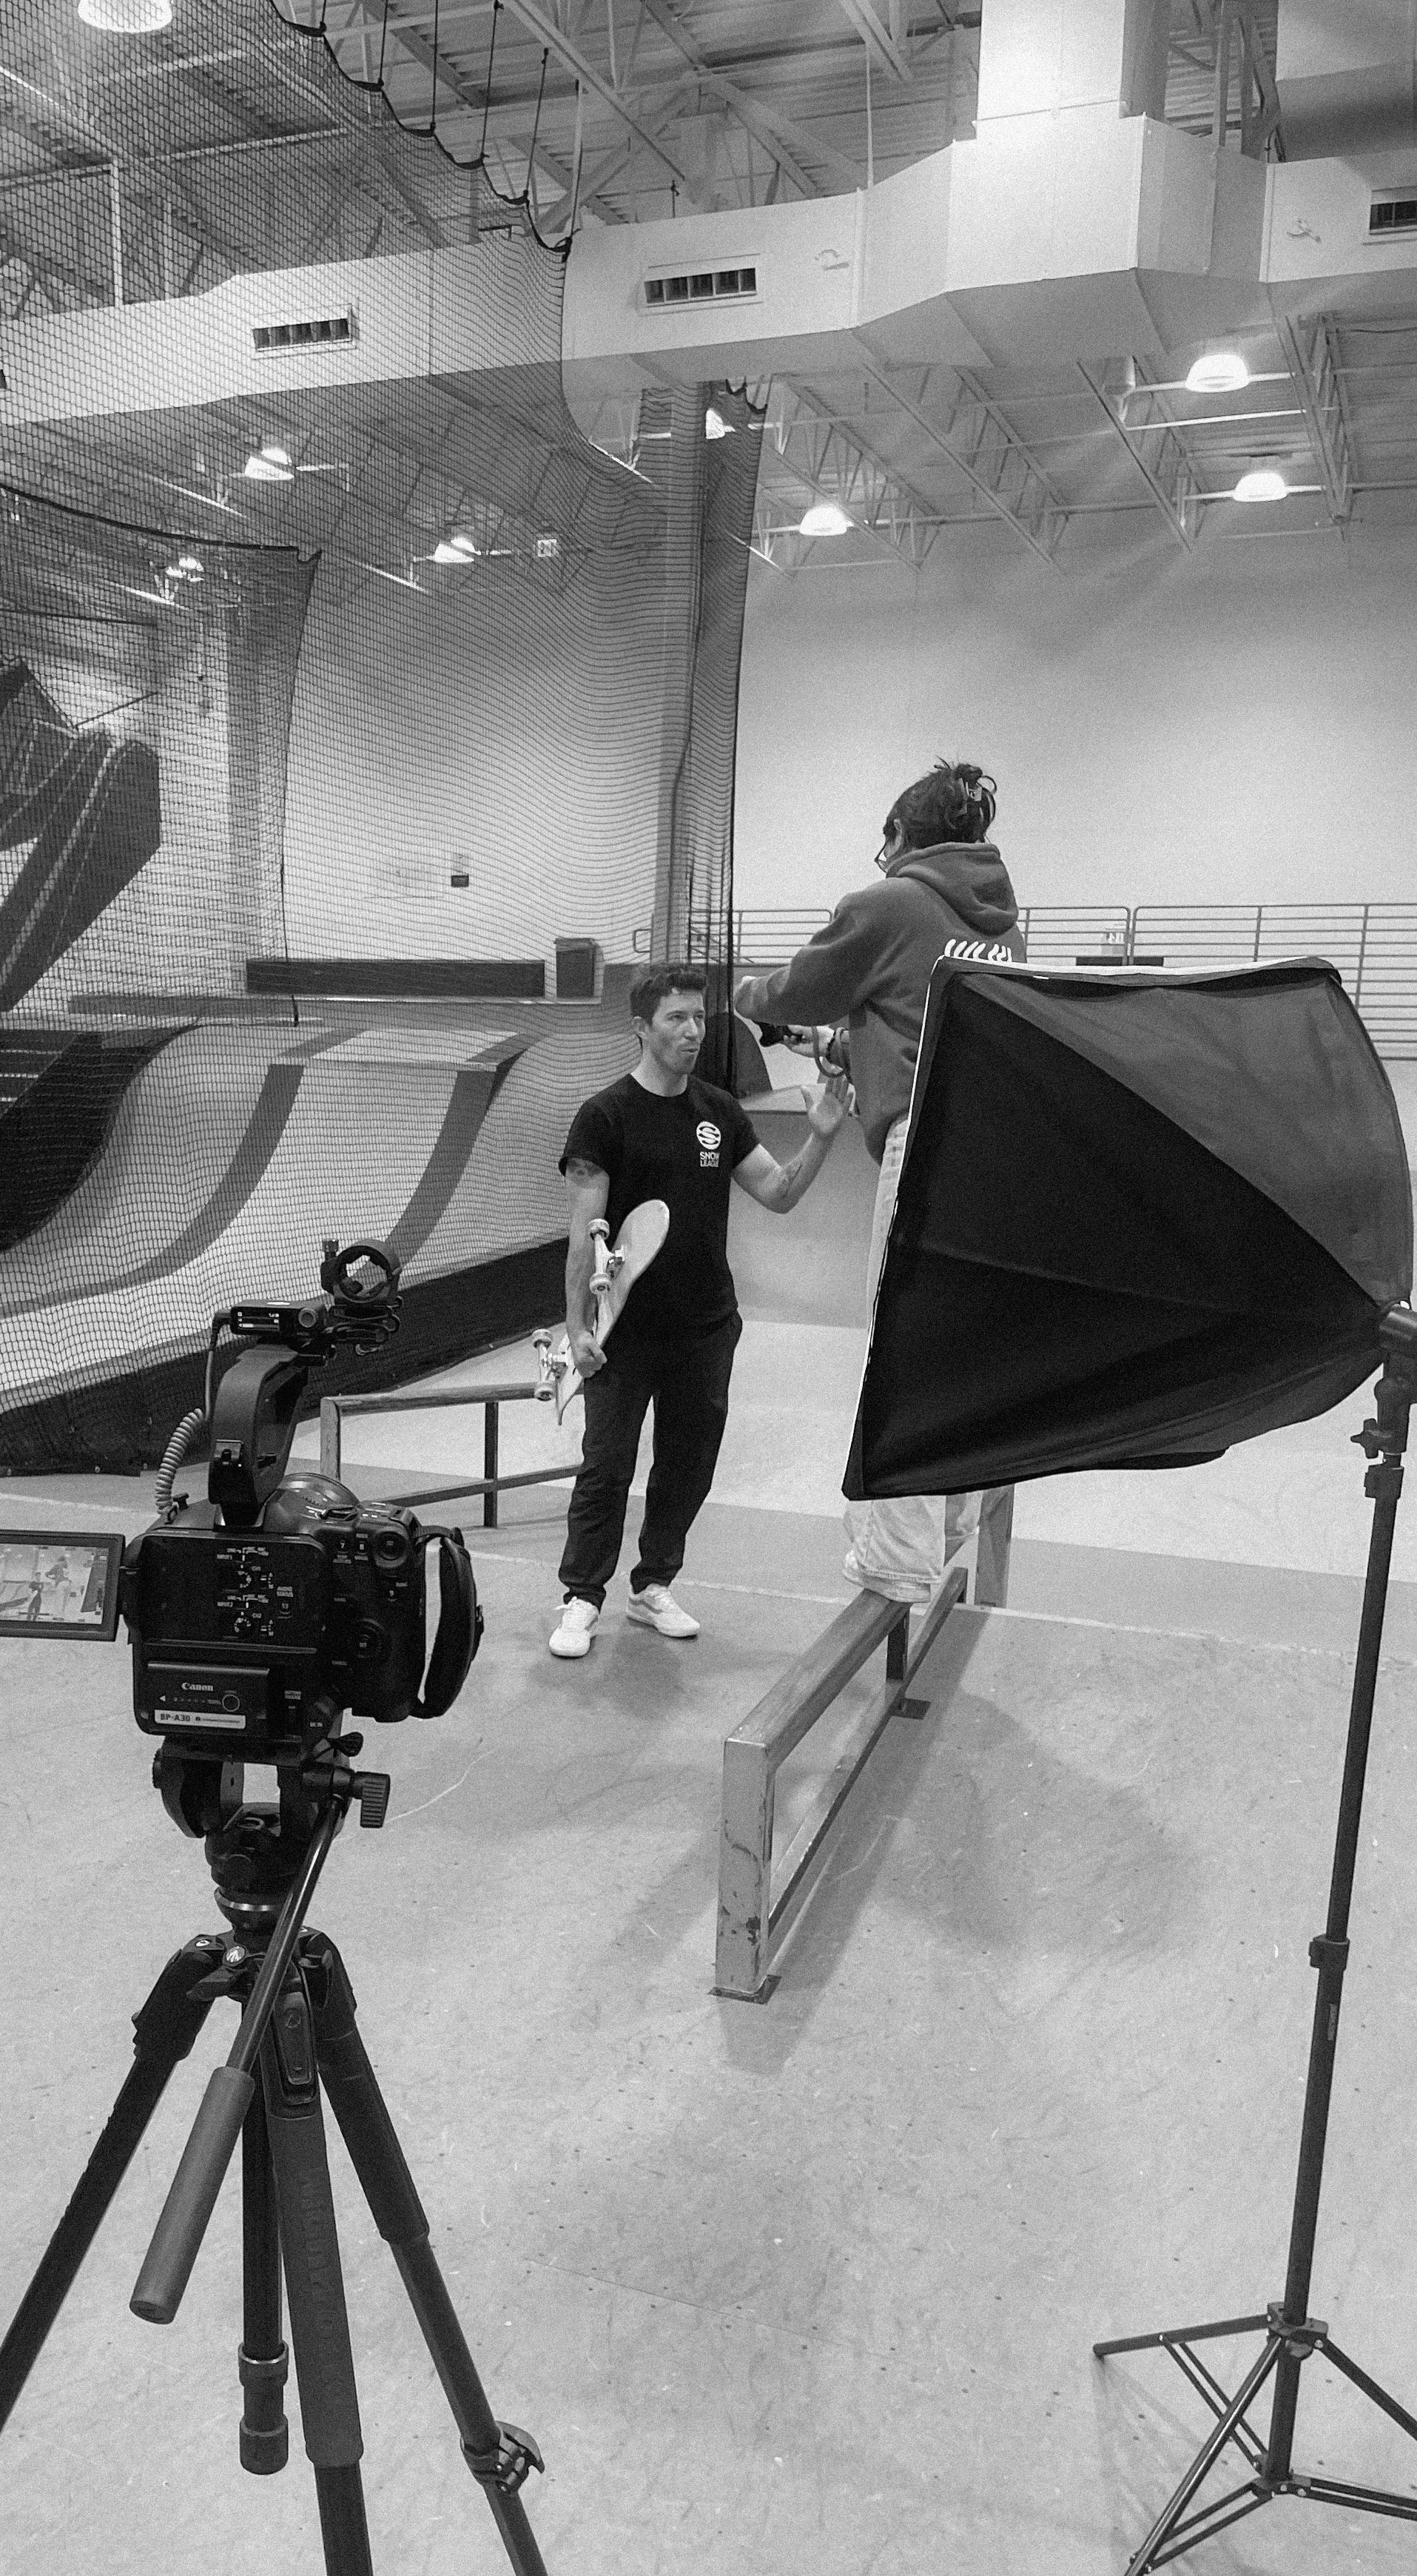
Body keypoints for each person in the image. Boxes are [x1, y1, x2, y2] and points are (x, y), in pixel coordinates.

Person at [735, 756, 1025, 1606]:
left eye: (884, 839)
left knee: (895, 1339)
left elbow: (799, 986)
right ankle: (954, 1519)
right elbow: (918, 1020)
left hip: (923, 1148)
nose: (877, 857)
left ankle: (896, 1559)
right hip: (991, 1149)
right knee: (957, 1338)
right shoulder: (1000, 923)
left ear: (908, 836)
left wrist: (750, 996)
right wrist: (846, 1046)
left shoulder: (888, 902)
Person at [549, 961, 849, 1658]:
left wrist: (823, 1133)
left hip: (706, 1326)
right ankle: (580, 1596)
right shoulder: (604, 1116)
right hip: (623, 1331)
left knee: (688, 1463)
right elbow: (580, 1237)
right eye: (676, 1019)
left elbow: (776, 1193)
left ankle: (652, 1584)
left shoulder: (718, 1111)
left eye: (699, 1017)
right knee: (607, 1465)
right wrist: (576, 1332)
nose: (692, 1030)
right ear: (641, 1028)